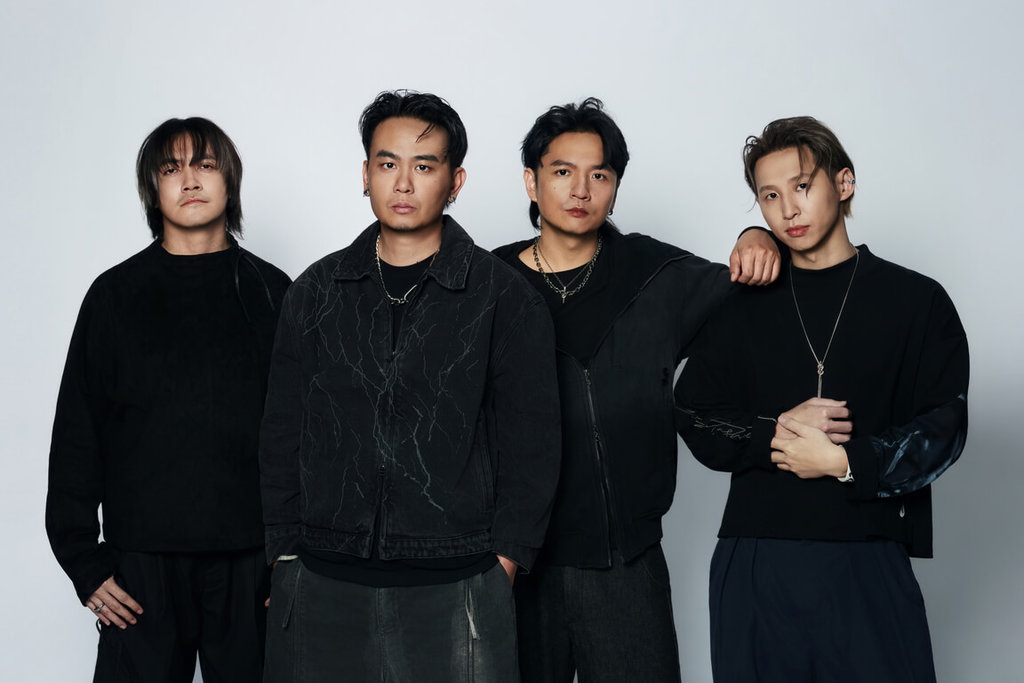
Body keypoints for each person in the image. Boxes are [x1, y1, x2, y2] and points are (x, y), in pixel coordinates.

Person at [259, 90, 561, 683]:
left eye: (424, 166)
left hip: (458, 581)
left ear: (455, 181)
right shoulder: (315, 292)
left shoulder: (503, 297)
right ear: (365, 175)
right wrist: (285, 554)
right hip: (322, 578)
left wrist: (503, 564)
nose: (402, 183)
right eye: (387, 163)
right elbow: (281, 431)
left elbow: (534, 446)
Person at [492, 98, 780, 683]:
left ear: (616, 186)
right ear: (531, 181)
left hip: (626, 562)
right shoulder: (489, 285)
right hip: (514, 561)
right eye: (562, 171)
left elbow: (753, 299)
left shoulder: (654, 273)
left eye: (599, 175)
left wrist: (758, 233)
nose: (581, 190)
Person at [674, 116, 969, 682]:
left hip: (867, 552)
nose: (788, 208)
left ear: (844, 182)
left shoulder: (916, 300)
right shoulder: (741, 303)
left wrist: (845, 462)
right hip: (757, 554)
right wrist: (775, 435)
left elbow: (945, 425)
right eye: (770, 196)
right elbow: (691, 410)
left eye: (802, 186)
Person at [46, 117, 291, 682]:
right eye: (171, 167)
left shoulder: (275, 292)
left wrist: (296, 558)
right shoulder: (114, 296)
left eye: (205, 165)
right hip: (142, 566)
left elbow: (307, 434)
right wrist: (84, 562)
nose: (190, 180)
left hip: (252, 563)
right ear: (152, 188)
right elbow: (78, 433)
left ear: (229, 180)